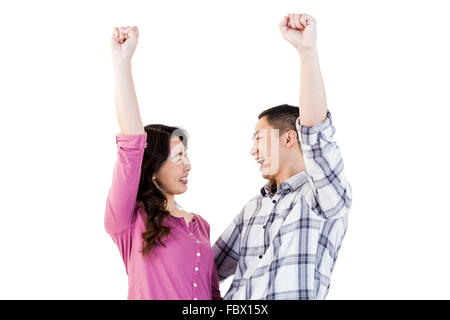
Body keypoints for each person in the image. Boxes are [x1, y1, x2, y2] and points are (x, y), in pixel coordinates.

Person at [213, 13, 352, 300]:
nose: (252, 150)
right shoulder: (252, 209)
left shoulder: (321, 198)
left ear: (289, 138)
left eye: (259, 138)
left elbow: (315, 131)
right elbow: (205, 270)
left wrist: (307, 52)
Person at [104, 26, 221, 300]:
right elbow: (131, 145)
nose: (188, 165)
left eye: (187, 156)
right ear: (153, 169)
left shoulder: (200, 225)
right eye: (178, 157)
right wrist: (123, 63)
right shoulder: (129, 220)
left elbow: (213, 294)